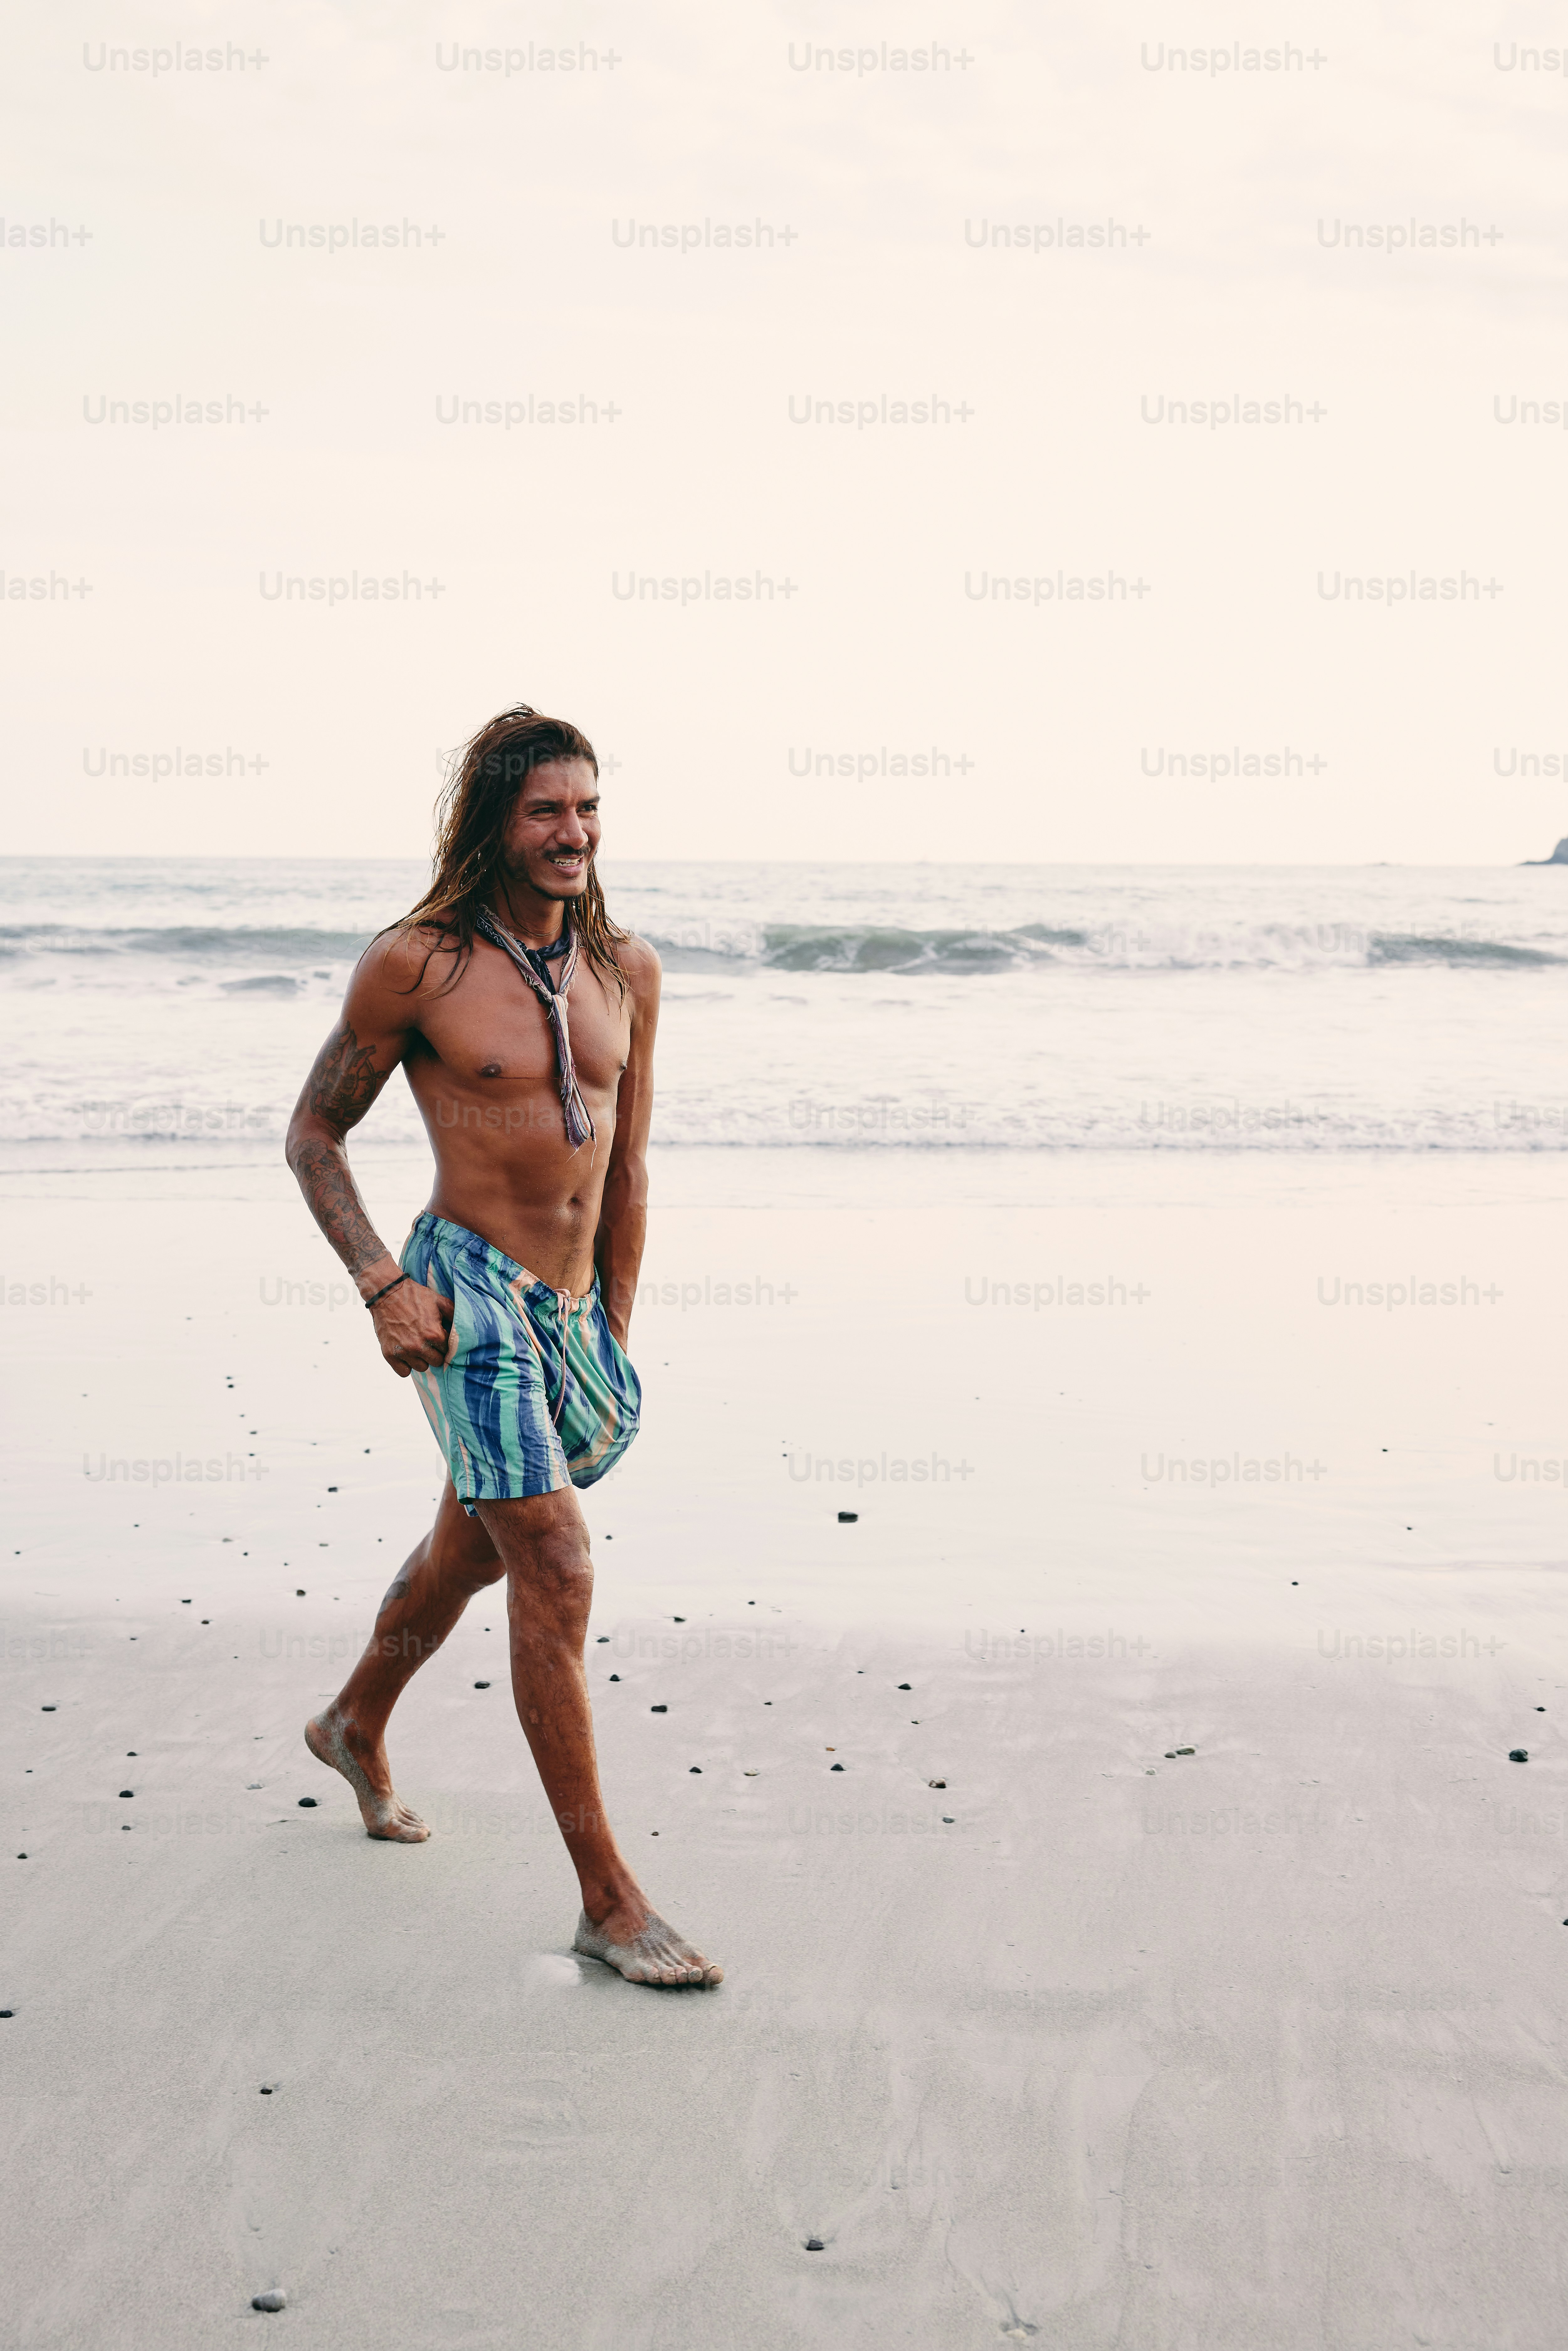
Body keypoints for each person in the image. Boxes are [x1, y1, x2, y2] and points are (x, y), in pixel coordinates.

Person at [283, 705, 721, 1989]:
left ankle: (352, 1721)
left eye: (587, 808)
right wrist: (378, 1283)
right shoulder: (414, 966)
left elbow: (627, 1168)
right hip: (464, 1290)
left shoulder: (625, 970)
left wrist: (614, 1329)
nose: (574, 832)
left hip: (571, 1310)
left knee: (473, 1545)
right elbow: (316, 1134)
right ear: (492, 822)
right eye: (546, 810)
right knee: (556, 1561)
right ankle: (606, 1896)